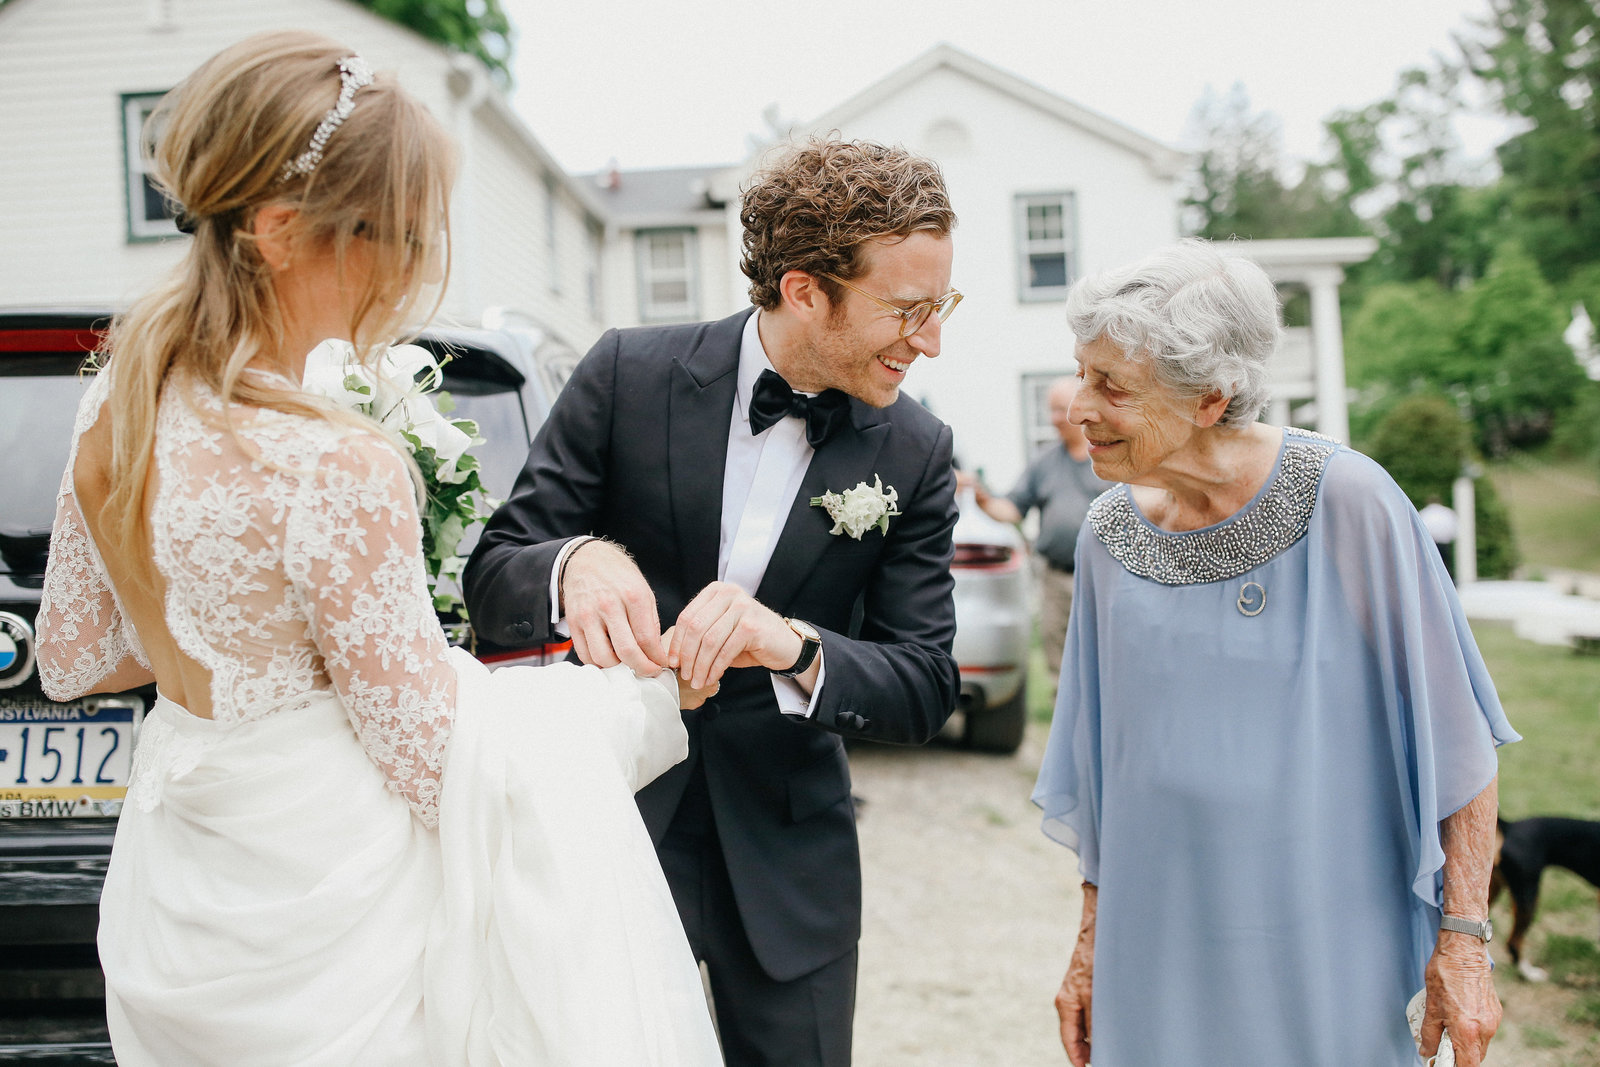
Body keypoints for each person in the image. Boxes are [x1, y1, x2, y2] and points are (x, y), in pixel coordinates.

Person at [34, 31, 720, 1065]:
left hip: (180, 881)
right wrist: (635, 698)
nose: (409, 265)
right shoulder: (331, 461)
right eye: (391, 232)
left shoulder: (113, 409)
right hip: (336, 910)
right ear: (276, 228)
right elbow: (433, 758)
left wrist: (240, 649)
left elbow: (76, 657)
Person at [465, 138, 962, 1066]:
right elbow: (495, 575)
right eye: (908, 310)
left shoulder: (918, 451)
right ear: (806, 289)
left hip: (789, 864)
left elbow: (926, 680)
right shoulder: (626, 374)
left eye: (942, 306)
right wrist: (573, 561)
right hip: (604, 827)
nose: (930, 339)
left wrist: (797, 647)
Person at [1030, 239, 1519, 1067]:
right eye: (1082, 373)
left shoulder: (1348, 499)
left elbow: (1460, 743)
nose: (1081, 407)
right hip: (1156, 949)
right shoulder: (1105, 538)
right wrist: (1088, 949)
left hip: (1323, 943)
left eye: (1111, 386)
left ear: (1211, 398)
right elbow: (1104, 779)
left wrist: (1464, 944)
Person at [961, 377, 1110, 677]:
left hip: (1105, 576)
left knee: (1108, 660)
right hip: (1056, 579)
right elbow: (1014, 509)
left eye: (1060, 410)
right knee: (1062, 664)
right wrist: (982, 498)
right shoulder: (1044, 463)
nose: (1054, 419)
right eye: (1050, 411)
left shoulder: (1108, 456)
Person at [1420, 495, 1460, 580]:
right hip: (1445, 544)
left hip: (1431, 544)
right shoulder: (1447, 512)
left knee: (1431, 567)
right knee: (1446, 566)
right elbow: (1455, 528)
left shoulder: (1424, 513)